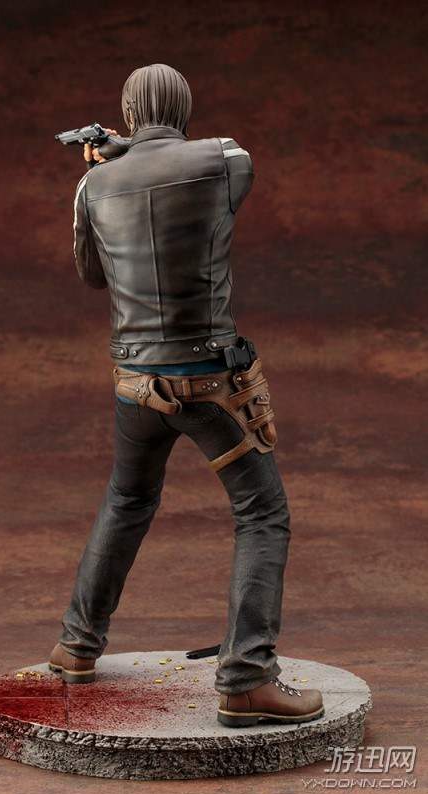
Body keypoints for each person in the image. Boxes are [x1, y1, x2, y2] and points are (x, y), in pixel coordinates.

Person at [48, 63, 324, 727]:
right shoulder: (218, 160)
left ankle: (76, 646)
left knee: (127, 499)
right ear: (185, 108)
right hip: (210, 387)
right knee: (262, 513)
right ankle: (247, 677)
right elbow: (237, 158)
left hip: (135, 386)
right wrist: (138, 148)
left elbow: (92, 275)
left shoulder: (91, 185)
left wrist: (117, 157)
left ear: (127, 113)